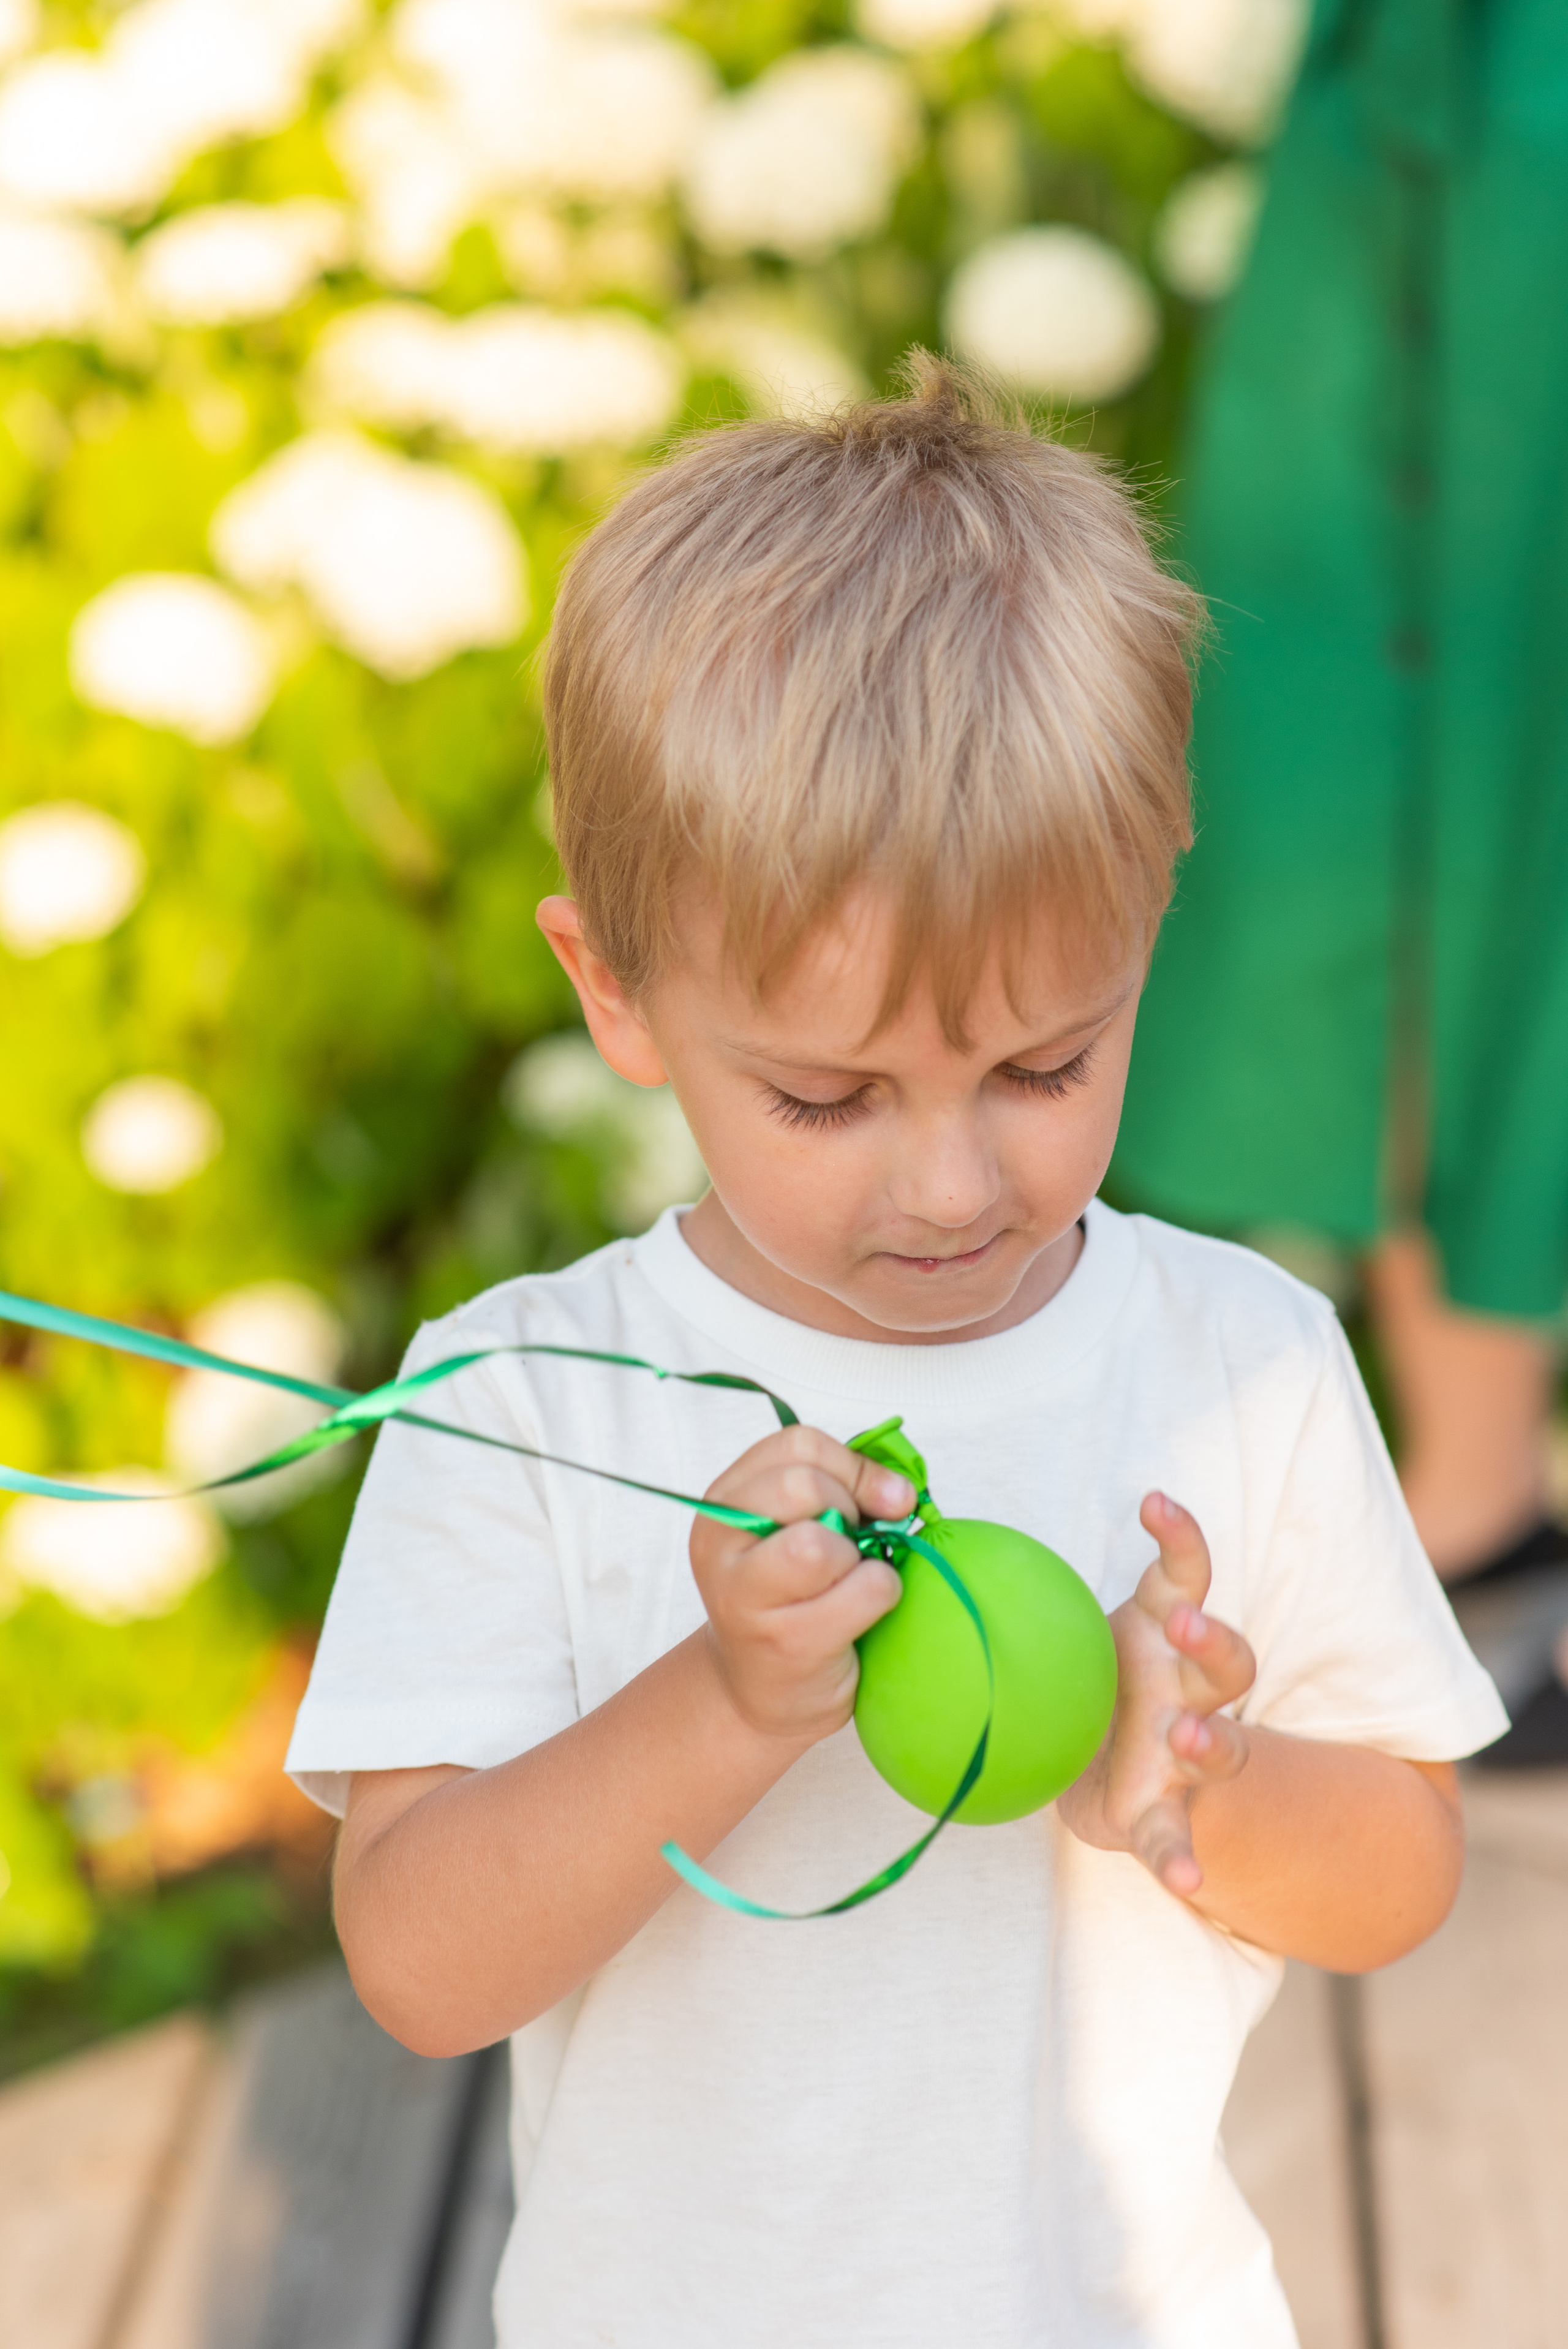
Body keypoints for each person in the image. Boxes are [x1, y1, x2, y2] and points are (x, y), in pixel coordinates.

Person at [287, 362, 1503, 2349]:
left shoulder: (1241, 1360)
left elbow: (1402, 1870)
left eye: (1042, 1063)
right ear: (618, 990)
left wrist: (1191, 1770)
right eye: (828, 1096)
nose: (951, 1180)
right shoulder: (529, 1392)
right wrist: (727, 1701)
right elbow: (421, 1957)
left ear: (1150, 911)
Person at [1109, 0, 1568, 1751]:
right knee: (1420, 769)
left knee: (1461, 763)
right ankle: (1476, 1502)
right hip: (1466, 123)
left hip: (1487, 132)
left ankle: (1477, 1505)